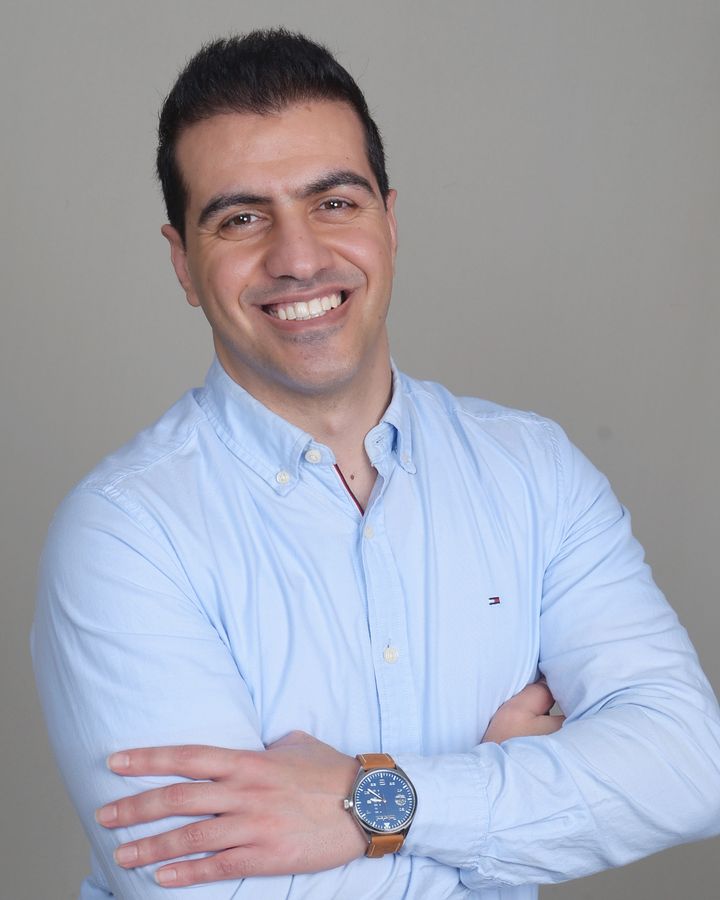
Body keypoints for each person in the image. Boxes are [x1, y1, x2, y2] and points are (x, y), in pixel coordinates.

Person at [32, 29, 720, 899]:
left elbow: (689, 768)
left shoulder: (533, 472)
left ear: (389, 223)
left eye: (334, 202)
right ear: (183, 263)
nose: (298, 258)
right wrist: (496, 786)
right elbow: (212, 888)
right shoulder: (126, 534)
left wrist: (372, 807)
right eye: (241, 218)